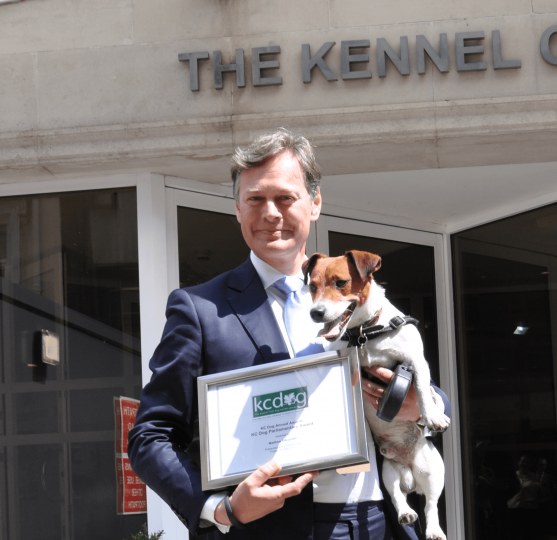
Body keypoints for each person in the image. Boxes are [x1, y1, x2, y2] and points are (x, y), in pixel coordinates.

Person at [128, 128, 450, 540]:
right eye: (255, 199)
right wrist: (219, 510)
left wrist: (418, 403)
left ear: (315, 203)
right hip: (268, 530)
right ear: (237, 210)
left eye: (285, 197)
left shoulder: (357, 297)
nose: (271, 213)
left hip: (378, 520)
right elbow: (150, 436)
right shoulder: (200, 310)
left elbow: (432, 391)